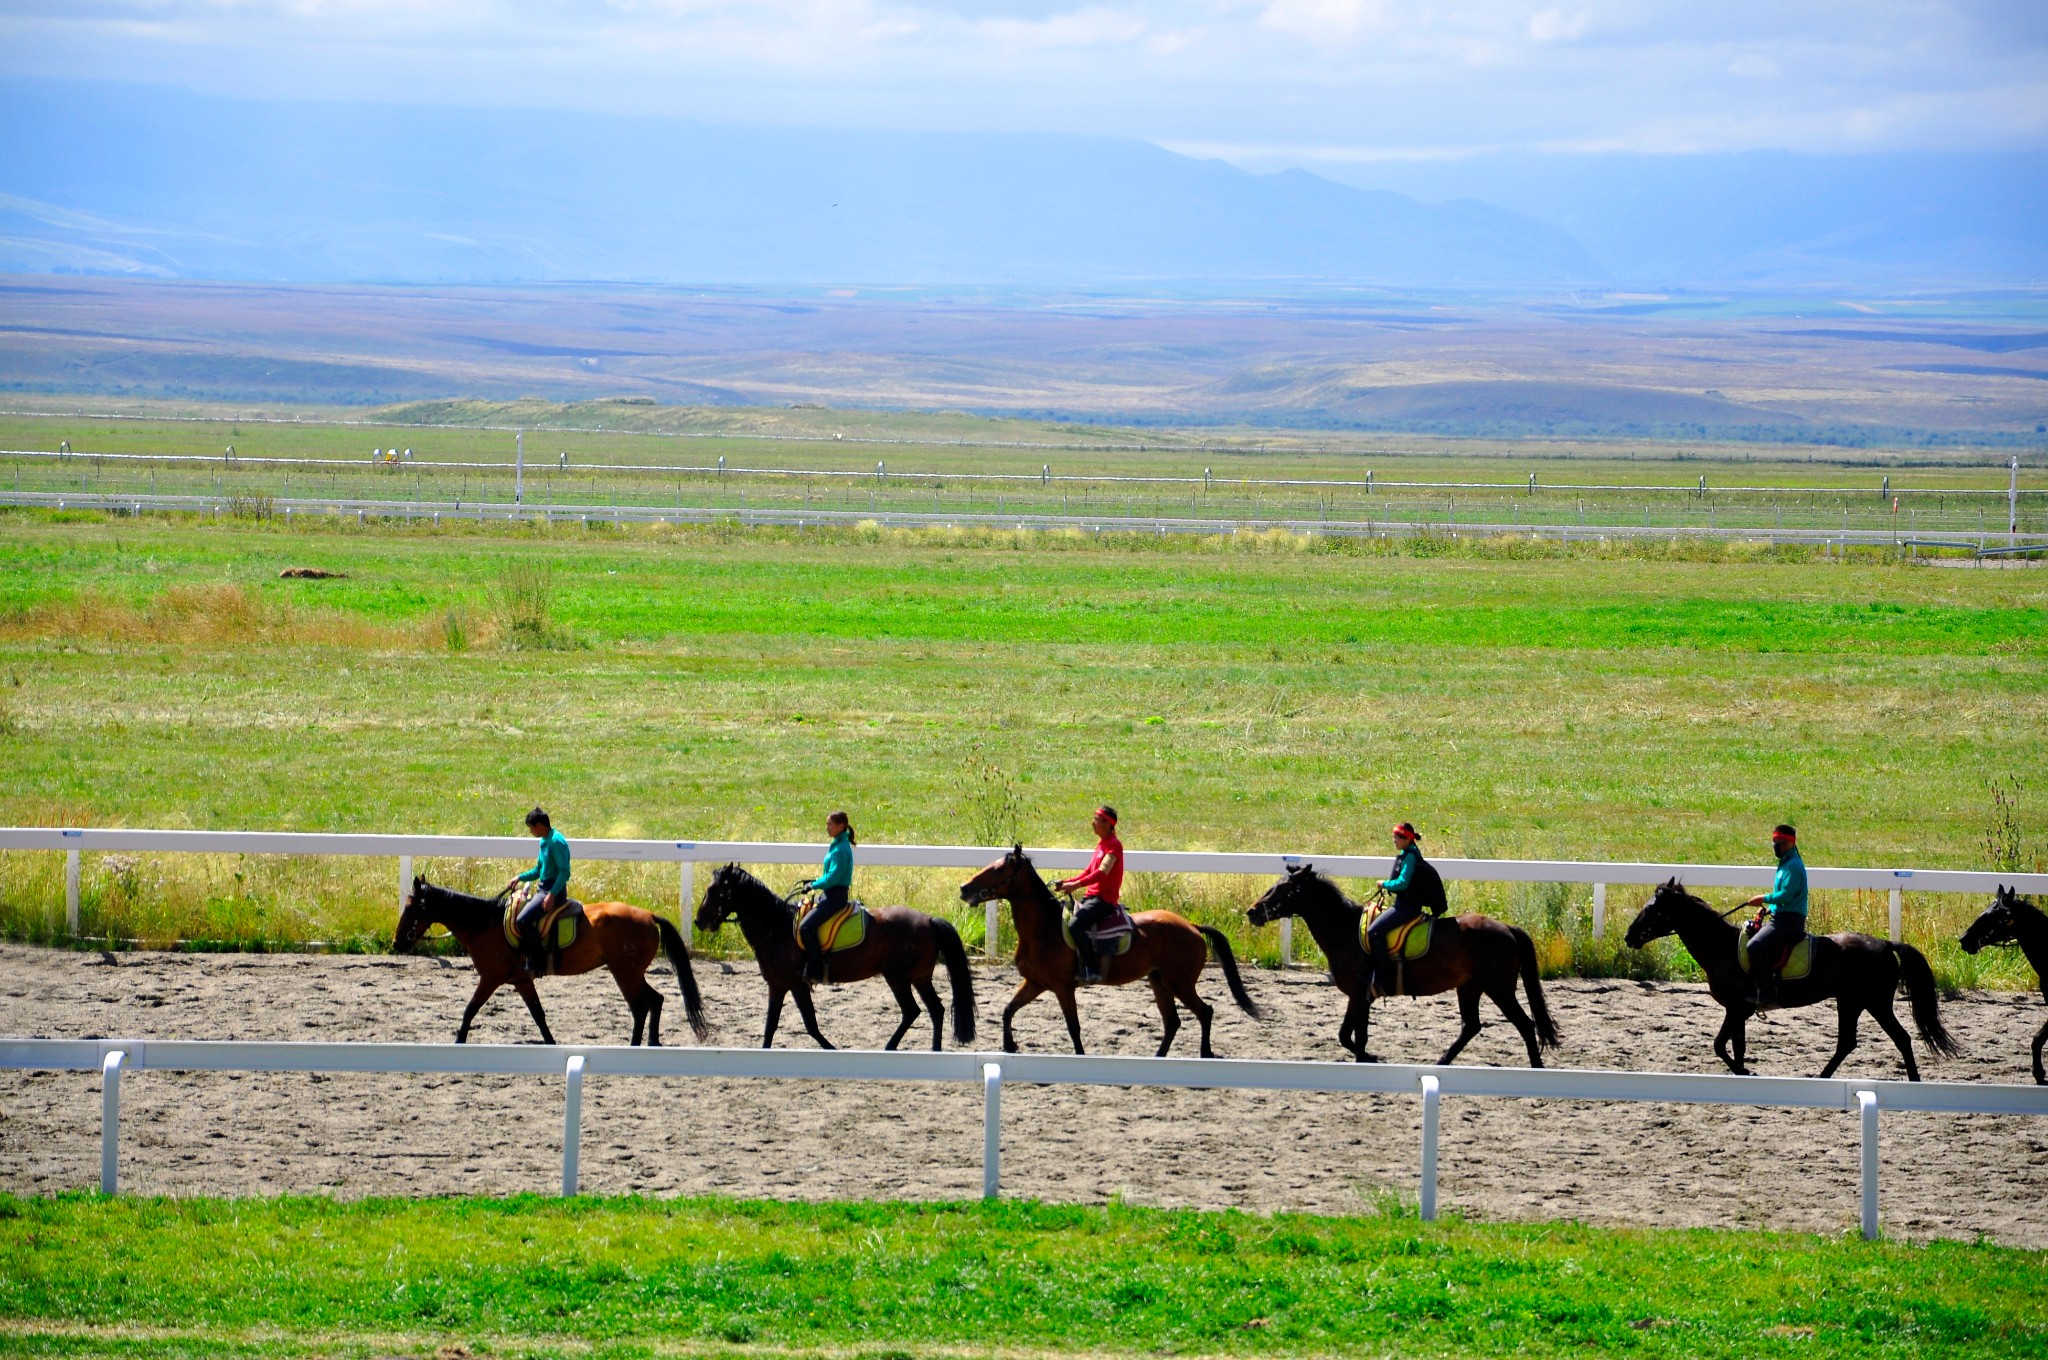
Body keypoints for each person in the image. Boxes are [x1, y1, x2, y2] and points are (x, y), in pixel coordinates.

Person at [1367, 822, 1445, 995]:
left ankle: (1380, 979)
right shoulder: (1407, 854)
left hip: (1405, 908)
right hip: (1403, 906)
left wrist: (1384, 884)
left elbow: (1402, 883)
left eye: (1396, 837)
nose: (1393, 840)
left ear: (1405, 839)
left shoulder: (1409, 857)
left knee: (1373, 932)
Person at [1740, 823, 1808, 1008]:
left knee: (1754, 946)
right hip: (1782, 916)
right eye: (1774, 841)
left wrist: (1764, 898)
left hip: (1789, 922)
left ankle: (1767, 993)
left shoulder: (1792, 866)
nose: (1776, 845)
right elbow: (1785, 898)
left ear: (1791, 843)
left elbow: (1787, 895)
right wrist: (1769, 908)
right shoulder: (1786, 863)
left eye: (1780, 841)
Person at [1056, 806, 1125, 983]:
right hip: (1092, 897)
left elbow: (1102, 872)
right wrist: (1067, 882)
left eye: (1096, 819)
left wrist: (1076, 885)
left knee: (1074, 925)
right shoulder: (1101, 844)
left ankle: (1092, 969)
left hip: (1104, 900)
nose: (1092, 823)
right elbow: (1088, 871)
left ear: (1108, 823)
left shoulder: (1114, 846)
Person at [505, 807, 570, 975]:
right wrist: (519, 877)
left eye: (531, 828)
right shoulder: (544, 841)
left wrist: (552, 895)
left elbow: (564, 872)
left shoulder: (556, 842)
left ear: (540, 825)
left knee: (523, 920)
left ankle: (539, 961)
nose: (530, 831)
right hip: (544, 888)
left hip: (552, 890)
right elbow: (538, 870)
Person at [798, 811, 856, 982]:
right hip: (829, 894)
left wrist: (813, 885)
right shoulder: (838, 845)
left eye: (830, 824)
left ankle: (815, 970)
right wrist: (814, 881)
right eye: (827, 824)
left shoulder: (840, 850)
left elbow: (832, 878)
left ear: (841, 826)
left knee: (805, 927)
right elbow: (829, 875)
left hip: (834, 898)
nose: (827, 828)